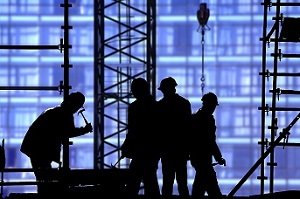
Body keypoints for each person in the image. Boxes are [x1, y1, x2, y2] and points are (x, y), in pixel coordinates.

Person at [20, 91, 93, 195]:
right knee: (45, 180)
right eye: (78, 106)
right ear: (75, 104)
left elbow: (64, 131)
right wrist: (84, 130)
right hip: (40, 150)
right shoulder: (64, 114)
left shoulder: (57, 111)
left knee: (43, 179)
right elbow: (68, 132)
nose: (77, 109)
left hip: (36, 149)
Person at [121, 78, 160, 199]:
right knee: (150, 178)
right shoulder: (156, 106)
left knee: (134, 179)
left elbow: (133, 130)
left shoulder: (134, 107)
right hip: (152, 149)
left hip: (140, 149)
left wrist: (127, 146)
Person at [157, 77, 191, 199]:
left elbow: (157, 130)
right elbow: (188, 129)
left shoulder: (160, 106)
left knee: (167, 182)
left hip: (167, 150)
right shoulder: (184, 103)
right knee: (182, 183)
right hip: (180, 149)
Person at [190, 92, 226, 199]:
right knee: (209, 182)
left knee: (201, 182)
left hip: (197, 156)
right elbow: (210, 141)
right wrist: (218, 157)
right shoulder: (207, 119)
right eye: (213, 105)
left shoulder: (197, 118)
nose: (213, 108)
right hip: (202, 156)